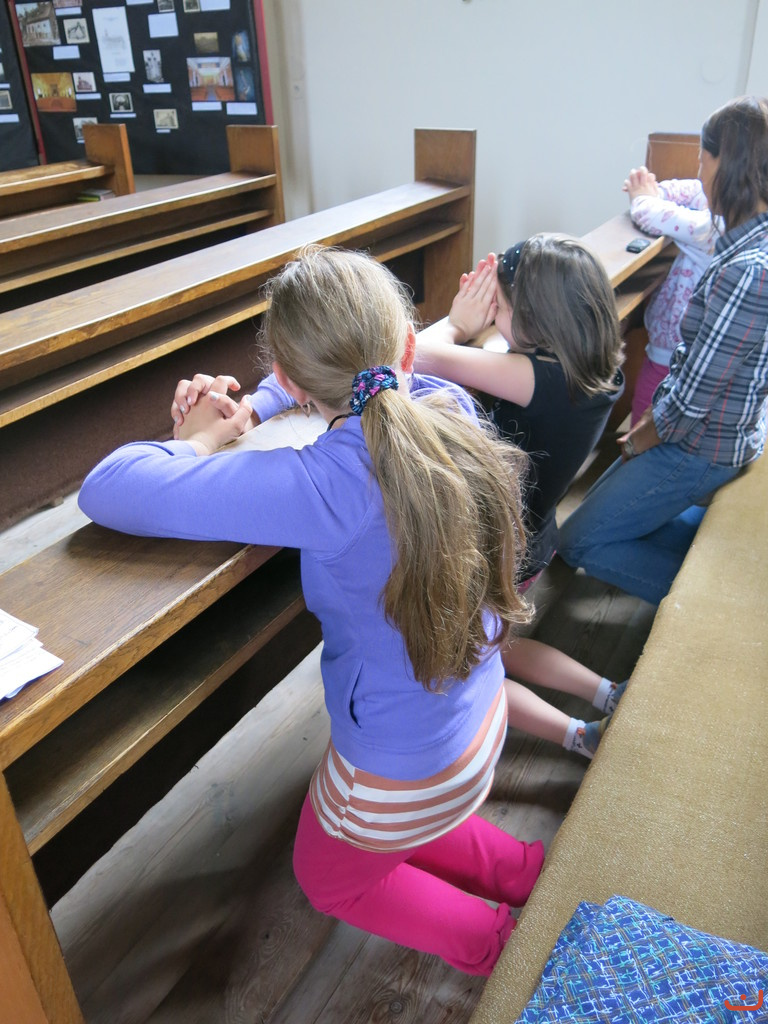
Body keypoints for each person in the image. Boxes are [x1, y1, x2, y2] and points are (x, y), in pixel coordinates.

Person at [79, 245, 545, 977]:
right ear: (410, 346)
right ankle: (520, 870)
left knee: (328, 876)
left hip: (404, 766)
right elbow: (362, 382)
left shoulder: (324, 487)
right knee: (392, 825)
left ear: (293, 379)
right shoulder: (449, 406)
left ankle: (504, 947)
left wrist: (200, 437)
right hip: (480, 720)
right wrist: (258, 405)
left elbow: (108, 488)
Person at [558, 95, 768, 606]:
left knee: (578, 541)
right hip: (707, 434)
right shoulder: (745, 241)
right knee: (606, 509)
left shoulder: (749, 272)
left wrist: (637, 441)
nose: (700, 172)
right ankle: (702, 557)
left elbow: (692, 402)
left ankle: (712, 600)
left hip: (701, 448)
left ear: (728, 165)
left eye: (703, 159)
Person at [413, 233, 625, 588]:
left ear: (532, 318)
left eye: (498, 307)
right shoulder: (595, 363)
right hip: (536, 536)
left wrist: (457, 325)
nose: (492, 315)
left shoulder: (540, 379)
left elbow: (414, 354)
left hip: (500, 555)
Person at [623, 166, 718, 425]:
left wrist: (643, 196)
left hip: (676, 358)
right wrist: (656, 190)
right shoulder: (725, 207)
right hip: (673, 353)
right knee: (647, 423)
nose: (700, 172)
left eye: (705, 163)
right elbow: (695, 189)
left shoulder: (715, 228)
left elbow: (649, 214)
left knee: (645, 425)